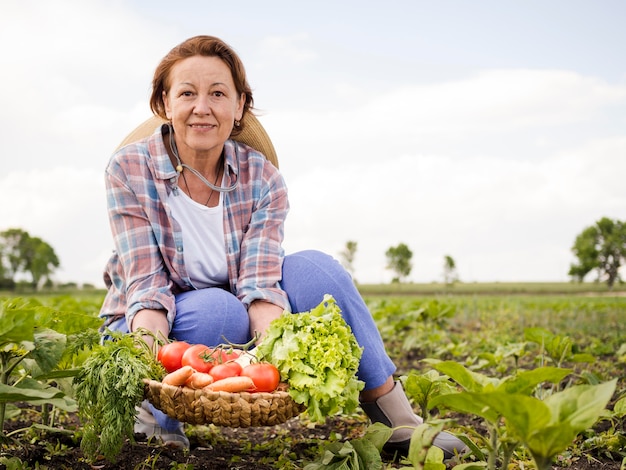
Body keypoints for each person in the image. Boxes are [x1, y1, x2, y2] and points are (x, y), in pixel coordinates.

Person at [100, 35, 467, 460]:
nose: (202, 107)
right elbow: (146, 287)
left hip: (234, 324)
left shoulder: (262, 178)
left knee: (317, 270)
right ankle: (156, 419)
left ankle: (397, 420)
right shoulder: (128, 169)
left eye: (218, 93)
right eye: (187, 93)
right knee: (221, 311)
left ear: (239, 107)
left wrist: (274, 358)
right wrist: (148, 378)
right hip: (146, 326)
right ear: (164, 105)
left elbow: (260, 282)